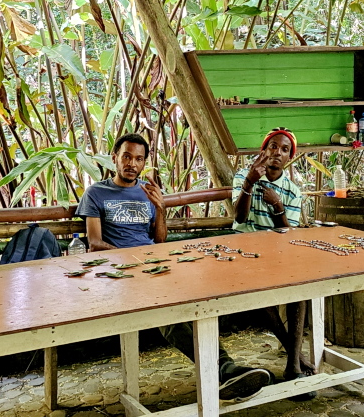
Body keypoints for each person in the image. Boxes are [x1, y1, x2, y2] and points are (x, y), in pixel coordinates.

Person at [77, 132, 271, 400]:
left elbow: (159, 239)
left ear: (144, 163)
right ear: (114, 158)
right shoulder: (97, 193)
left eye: (139, 159)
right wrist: (132, 257)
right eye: (126, 157)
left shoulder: (148, 190)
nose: (132, 163)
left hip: (155, 265)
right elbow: (95, 244)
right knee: (169, 313)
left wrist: (160, 209)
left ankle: (223, 370)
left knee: (196, 299)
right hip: (121, 273)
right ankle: (224, 369)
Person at [232, 128, 315, 390]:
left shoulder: (291, 190)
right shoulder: (244, 177)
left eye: (284, 150)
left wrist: (278, 204)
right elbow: (240, 219)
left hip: (279, 251)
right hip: (244, 249)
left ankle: (292, 363)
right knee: (260, 293)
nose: (277, 153)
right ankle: (296, 355)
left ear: (289, 157)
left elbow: (287, 231)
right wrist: (248, 183)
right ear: (263, 150)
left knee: (299, 287)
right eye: (273, 147)